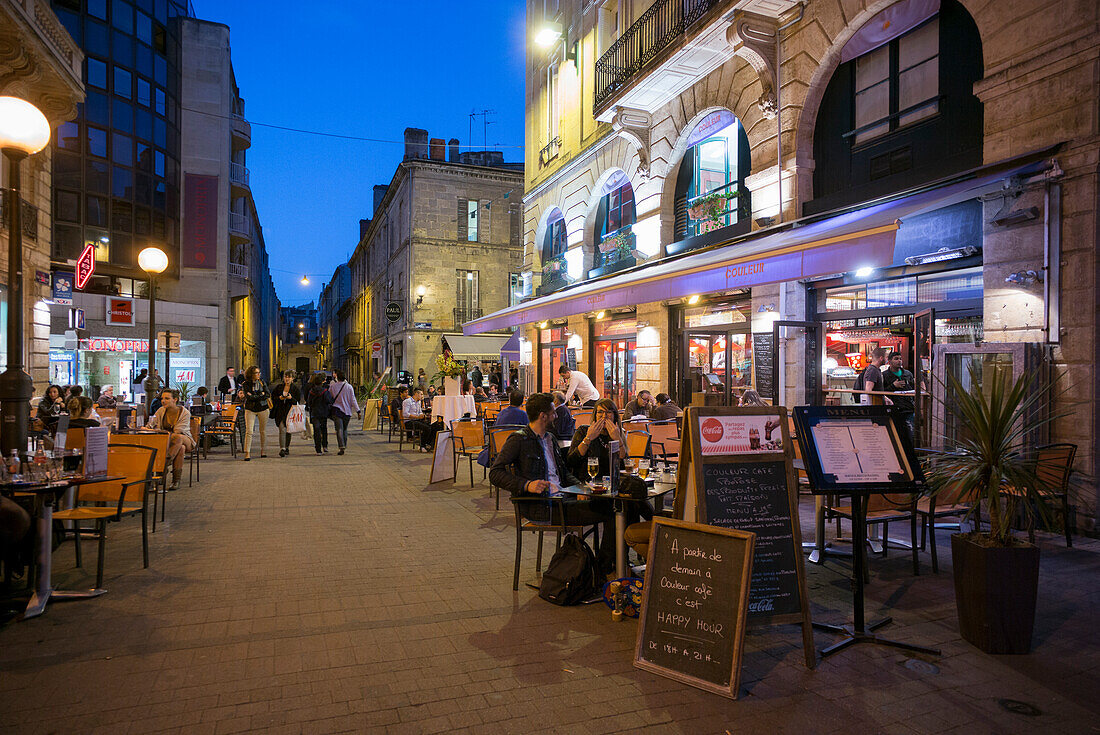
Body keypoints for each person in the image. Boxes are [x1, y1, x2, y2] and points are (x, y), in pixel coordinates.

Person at [489, 393, 617, 577]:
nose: (556, 416)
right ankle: (602, 569)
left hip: (562, 499)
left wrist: (581, 489)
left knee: (615, 505)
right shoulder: (519, 440)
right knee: (612, 512)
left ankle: (605, 566)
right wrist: (527, 485)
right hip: (542, 506)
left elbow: (564, 473)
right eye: (553, 412)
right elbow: (495, 473)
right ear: (543, 416)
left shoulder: (549, 438)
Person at [567, 398, 653, 523]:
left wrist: (617, 439)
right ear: (595, 415)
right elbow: (571, 461)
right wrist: (588, 438)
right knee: (627, 505)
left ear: (614, 416)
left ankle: (648, 530)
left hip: (612, 487)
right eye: (600, 412)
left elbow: (624, 465)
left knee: (635, 500)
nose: (604, 416)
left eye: (608, 413)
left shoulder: (616, 433)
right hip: (590, 487)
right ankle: (654, 526)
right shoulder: (584, 431)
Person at [144, 388, 194, 490]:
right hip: (167, 441)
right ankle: (176, 480)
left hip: (185, 439)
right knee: (181, 449)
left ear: (175, 400)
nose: (163, 401)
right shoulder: (161, 410)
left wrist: (157, 431)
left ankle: (162, 466)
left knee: (178, 438)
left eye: (167, 398)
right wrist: (149, 428)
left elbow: (177, 431)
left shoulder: (184, 413)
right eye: (162, 398)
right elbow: (151, 424)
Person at [236, 365, 270, 461]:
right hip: (250, 409)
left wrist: (255, 395)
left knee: (263, 431)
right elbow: (248, 396)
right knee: (249, 431)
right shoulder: (245, 384)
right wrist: (260, 395)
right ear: (251, 374)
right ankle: (247, 452)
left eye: (259, 372)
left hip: (263, 408)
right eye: (256, 373)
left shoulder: (262, 382)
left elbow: (267, 394)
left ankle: (263, 450)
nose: (259, 374)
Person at [328, 369, 360, 456]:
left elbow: (329, 397)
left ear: (337, 377)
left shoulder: (333, 386)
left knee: (339, 429)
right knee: (344, 429)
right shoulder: (349, 387)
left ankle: (341, 446)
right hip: (347, 411)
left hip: (336, 410)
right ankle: (344, 445)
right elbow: (353, 400)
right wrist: (358, 411)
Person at [883, 351, 916, 432]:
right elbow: (882, 392)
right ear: (890, 361)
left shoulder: (908, 374)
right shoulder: (884, 375)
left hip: (908, 408)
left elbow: (913, 388)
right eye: (896, 359)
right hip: (894, 409)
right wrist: (893, 386)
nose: (899, 361)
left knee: (910, 432)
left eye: (900, 359)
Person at [271, 370, 302, 457]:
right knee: (282, 429)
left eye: (289, 377)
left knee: (288, 431)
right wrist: (279, 398)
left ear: (293, 378)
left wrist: (291, 398)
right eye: (286, 377)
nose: (287, 379)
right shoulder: (279, 387)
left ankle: (286, 447)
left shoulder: (295, 389)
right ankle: (282, 449)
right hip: (280, 412)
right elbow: (273, 398)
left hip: (290, 412)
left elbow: (297, 402)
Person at [306, 374, 331, 454]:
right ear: (322, 382)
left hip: (314, 413)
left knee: (316, 430)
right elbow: (329, 400)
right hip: (323, 412)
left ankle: (318, 449)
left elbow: (309, 403)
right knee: (324, 429)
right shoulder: (325, 391)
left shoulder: (311, 391)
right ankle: (325, 446)